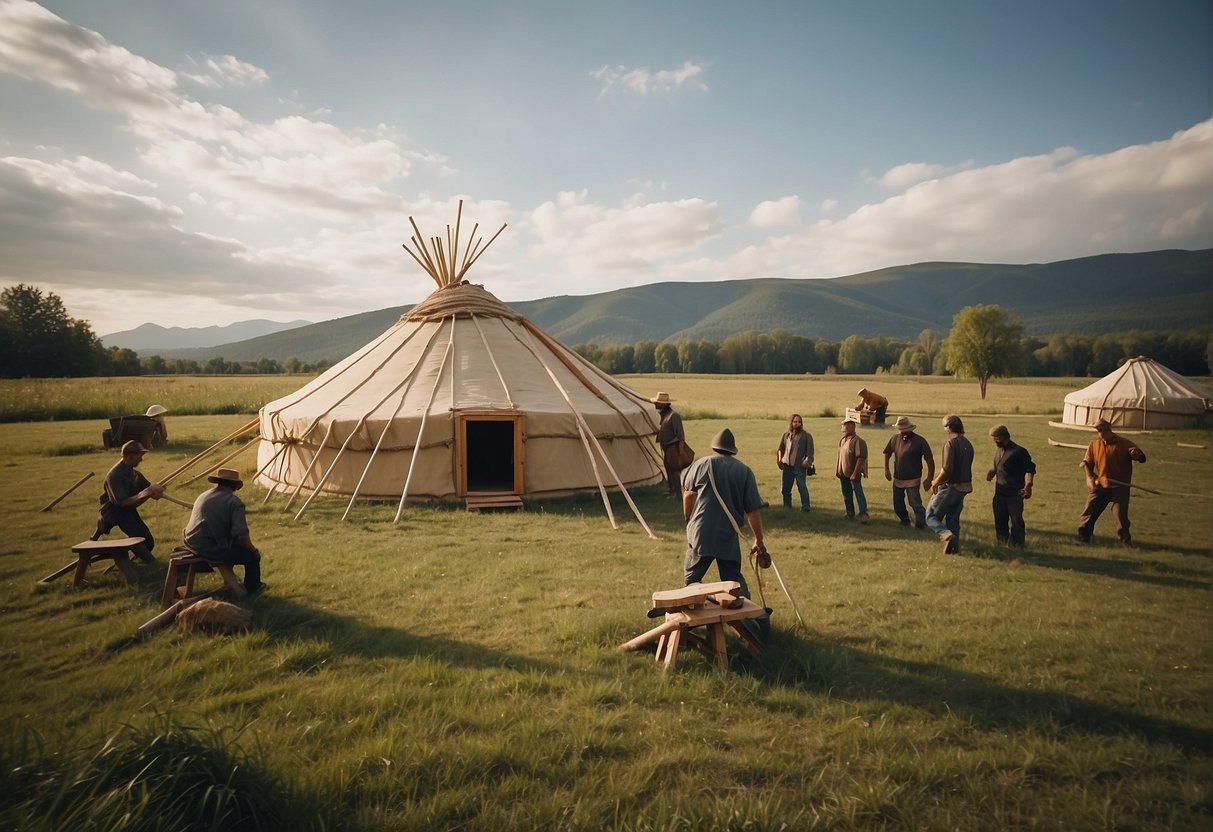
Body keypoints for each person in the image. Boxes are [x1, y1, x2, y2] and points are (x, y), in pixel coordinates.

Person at [682, 428, 769, 636]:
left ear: (715, 446)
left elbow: (688, 496)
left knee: (692, 580)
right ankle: (758, 623)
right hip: (727, 535)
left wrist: (689, 520)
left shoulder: (701, 464)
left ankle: (690, 626)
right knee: (734, 583)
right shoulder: (745, 471)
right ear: (732, 450)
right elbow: (753, 512)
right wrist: (759, 540)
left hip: (701, 534)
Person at [183, 467, 265, 594]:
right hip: (208, 547)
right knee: (252, 557)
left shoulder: (203, 495)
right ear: (236, 486)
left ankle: (231, 584)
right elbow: (242, 535)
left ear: (218, 482)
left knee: (231, 545)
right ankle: (253, 588)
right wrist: (253, 550)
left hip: (191, 540)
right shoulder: (234, 503)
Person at [94, 440, 164, 563]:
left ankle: (135, 558)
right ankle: (152, 562)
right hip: (115, 512)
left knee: (148, 542)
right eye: (139, 457)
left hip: (128, 510)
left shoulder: (134, 473)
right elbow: (122, 502)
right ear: (129, 456)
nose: (141, 460)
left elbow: (148, 488)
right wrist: (147, 492)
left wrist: (156, 491)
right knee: (138, 538)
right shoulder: (115, 476)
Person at [1078, 418, 1146, 545]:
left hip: (1119, 487)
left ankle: (1125, 539)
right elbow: (1087, 463)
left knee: (1120, 515)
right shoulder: (1094, 445)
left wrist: (1136, 455)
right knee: (1089, 511)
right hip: (1100, 486)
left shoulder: (1124, 444)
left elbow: (1141, 457)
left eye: (1102, 430)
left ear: (1109, 429)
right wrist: (1089, 478)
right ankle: (1084, 537)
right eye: (1098, 430)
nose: (1100, 433)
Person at [925, 415, 974, 554]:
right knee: (953, 518)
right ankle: (954, 549)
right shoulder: (968, 443)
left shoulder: (951, 444)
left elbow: (947, 470)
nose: (945, 429)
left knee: (931, 517)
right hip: (964, 487)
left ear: (950, 427)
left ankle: (946, 535)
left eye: (945, 426)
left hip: (950, 487)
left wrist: (936, 481)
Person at [986, 425, 1036, 546]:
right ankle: (1002, 544)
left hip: (1014, 495)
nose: (994, 441)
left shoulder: (1019, 451)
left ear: (1002, 437)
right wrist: (990, 474)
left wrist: (1028, 486)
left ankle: (1018, 546)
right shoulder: (999, 450)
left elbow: (1030, 470)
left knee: (1016, 522)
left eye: (995, 438)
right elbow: (997, 466)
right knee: (1000, 522)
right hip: (999, 494)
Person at [883, 415, 934, 529]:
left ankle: (921, 523)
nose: (903, 431)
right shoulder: (894, 439)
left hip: (913, 478)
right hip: (898, 477)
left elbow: (929, 460)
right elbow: (887, 453)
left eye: (905, 429)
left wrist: (929, 478)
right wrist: (886, 469)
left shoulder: (920, 441)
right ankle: (904, 519)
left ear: (910, 428)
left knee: (915, 503)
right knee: (897, 502)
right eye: (901, 429)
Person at [776, 414, 814, 512]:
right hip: (787, 466)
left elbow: (810, 452)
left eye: (799, 422)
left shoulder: (806, 436)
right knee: (785, 489)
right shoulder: (786, 435)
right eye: (795, 422)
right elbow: (780, 448)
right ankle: (787, 507)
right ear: (791, 423)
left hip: (799, 466)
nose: (797, 424)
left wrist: (807, 461)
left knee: (802, 487)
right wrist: (779, 459)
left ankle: (805, 507)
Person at [651, 392, 685, 497]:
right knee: (668, 468)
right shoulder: (664, 415)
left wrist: (680, 450)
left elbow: (680, 434)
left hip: (673, 447)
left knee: (674, 470)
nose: (655, 404)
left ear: (663, 404)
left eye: (658, 403)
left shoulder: (674, 416)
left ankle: (677, 493)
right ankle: (672, 490)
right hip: (667, 447)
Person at [836, 417, 869, 523]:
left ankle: (863, 514)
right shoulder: (842, 440)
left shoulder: (858, 441)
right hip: (843, 473)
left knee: (858, 492)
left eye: (851, 424)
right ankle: (850, 512)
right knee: (846, 493)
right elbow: (840, 456)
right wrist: (838, 470)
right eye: (846, 425)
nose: (848, 427)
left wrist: (855, 473)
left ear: (854, 426)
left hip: (854, 472)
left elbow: (861, 458)